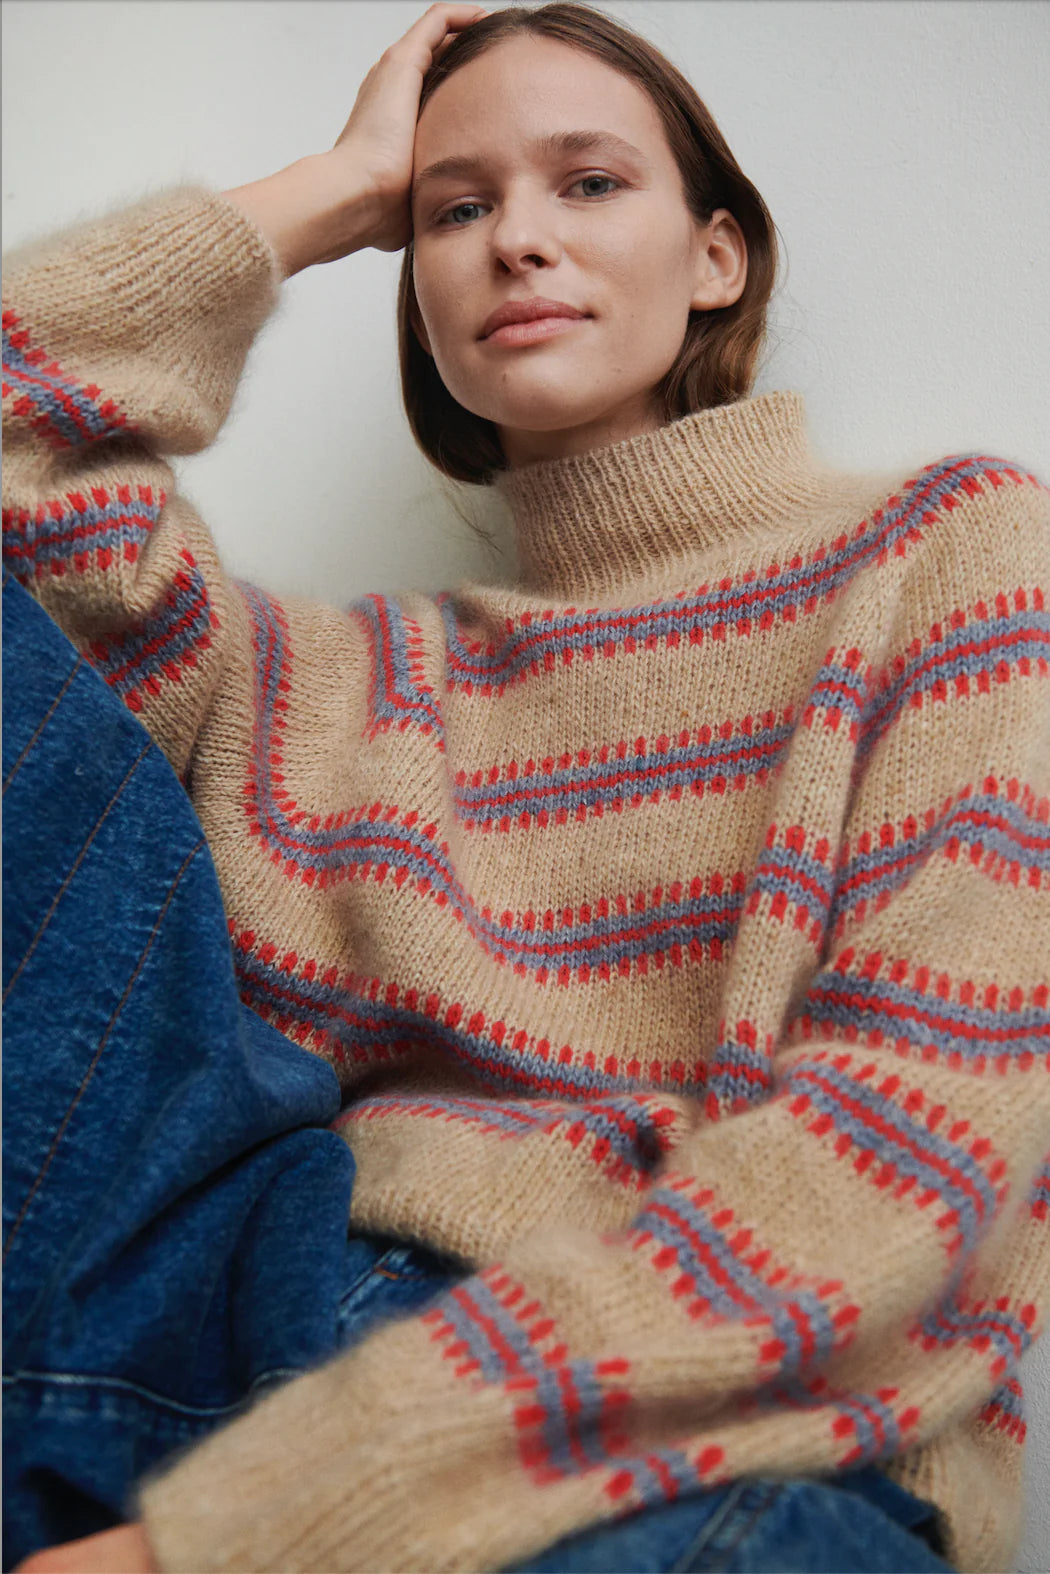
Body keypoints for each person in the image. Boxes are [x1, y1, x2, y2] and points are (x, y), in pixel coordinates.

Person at [3, 2, 1048, 1571]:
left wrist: (235, 1538)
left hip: (703, 1440)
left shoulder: (954, 557)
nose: (517, 242)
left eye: (589, 184)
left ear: (717, 257)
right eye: (457, 206)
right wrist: (328, 191)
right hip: (223, 1331)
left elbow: (896, 1159)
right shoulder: (319, 678)